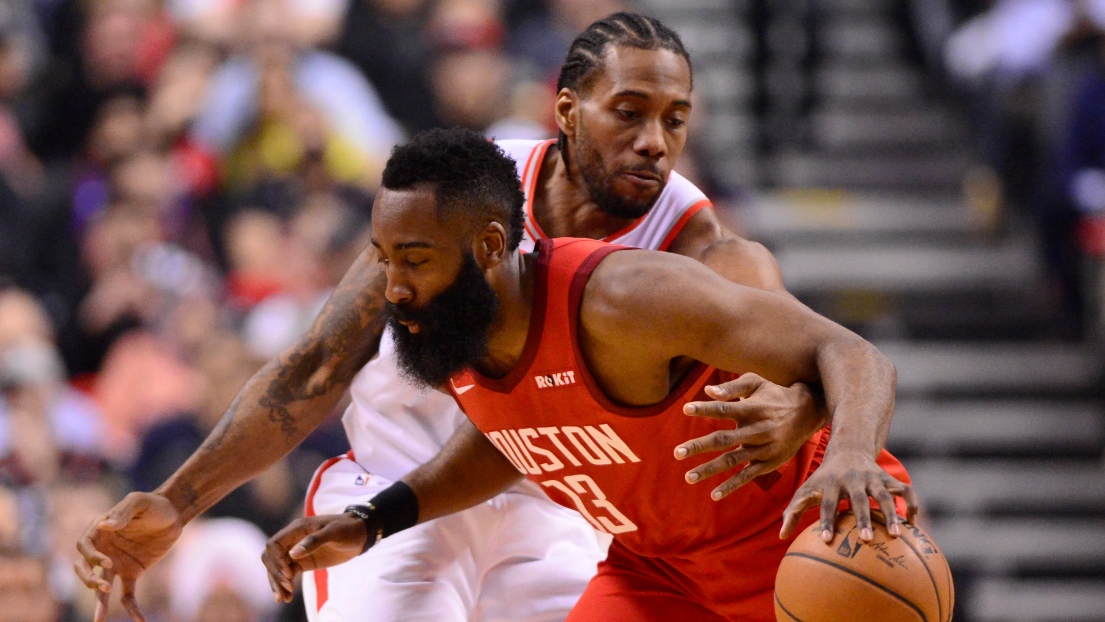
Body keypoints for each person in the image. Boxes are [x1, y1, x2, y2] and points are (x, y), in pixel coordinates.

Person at [76, 12, 858, 622]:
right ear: (567, 110)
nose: (654, 143)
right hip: (388, 491)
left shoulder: (704, 250)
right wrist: (178, 502)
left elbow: (813, 355)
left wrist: (801, 405)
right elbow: (318, 364)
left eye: (675, 120)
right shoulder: (461, 186)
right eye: (628, 112)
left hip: (558, 515)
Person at [260, 128, 915, 622]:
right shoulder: (456, 335)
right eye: (384, 261)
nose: (392, 289)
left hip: (805, 538)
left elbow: (854, 355)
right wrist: (373, 520)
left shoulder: (621, 297)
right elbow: (506, 439)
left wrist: (852, 452)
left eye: (413, 260)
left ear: (488, 248)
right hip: (658, 572)